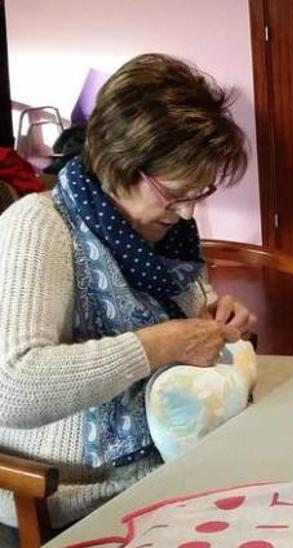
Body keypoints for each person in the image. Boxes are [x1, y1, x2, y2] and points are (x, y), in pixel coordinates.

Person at [0, 53, 256, 530]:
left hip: (168, 464)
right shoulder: (41, 227)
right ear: (122, 164)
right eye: (175, 194)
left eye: (197, 195)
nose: (185, 213)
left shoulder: (162, 231)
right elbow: (12, 389)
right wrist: (162, 345)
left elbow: (193, 315)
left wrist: (220, 316)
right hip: (71, 497)